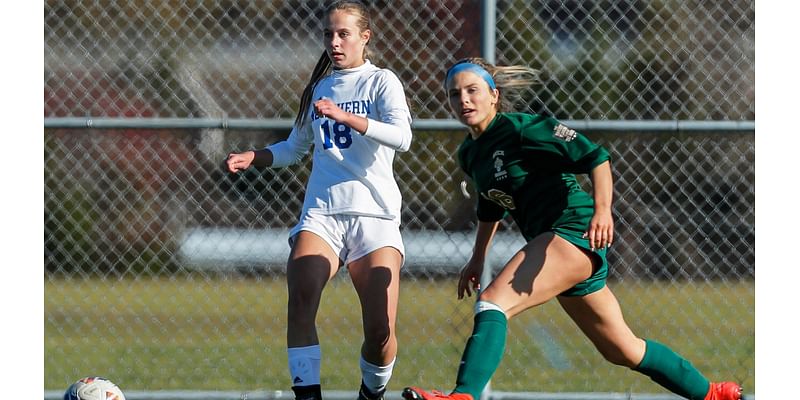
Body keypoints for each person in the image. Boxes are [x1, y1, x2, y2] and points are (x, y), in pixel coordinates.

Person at [401, 58, 742, 400]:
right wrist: (477, 258)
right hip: (557, 244)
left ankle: (463, 396)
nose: (464, 100)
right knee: (623, 349)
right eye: (454, 94)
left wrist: (603, 211)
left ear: (494, 95)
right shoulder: (470, 153)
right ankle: (712, 394)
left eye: (473, 91)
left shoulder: (523, 129)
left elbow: (596, 156)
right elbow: (491, 205)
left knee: (493, 302)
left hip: (575, 231)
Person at [225, 2, 412, 400]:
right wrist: (254, 157)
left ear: (365, 36)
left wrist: (349, 118)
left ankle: (372, 393)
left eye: (343, 33)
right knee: (301, 297)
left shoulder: (382, 82)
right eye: (328, 34)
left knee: (380, 331)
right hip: (323, 213)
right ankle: (308, 396)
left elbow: (403, 137)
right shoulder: (319, 88)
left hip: (374, 216)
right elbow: (295, 148)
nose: (334, 41)